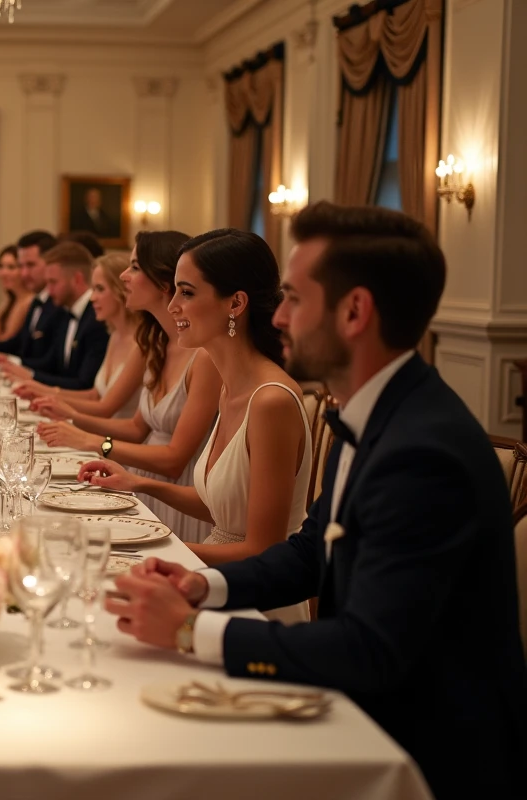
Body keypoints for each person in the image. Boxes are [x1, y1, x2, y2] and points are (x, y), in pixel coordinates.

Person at [103, 203, 527, 800]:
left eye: (295, 299)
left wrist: (191, 631)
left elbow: (369, 649)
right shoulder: (377, 414)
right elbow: (308, 553)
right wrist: (201, 586)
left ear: (354, 312)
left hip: (416, 752)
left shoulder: (424, 452)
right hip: (359, 704)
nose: (278, 315)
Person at [79, 230, 312, 592]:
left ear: (235, 304)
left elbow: (265, 549)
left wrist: (155, 550)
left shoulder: (271, 401)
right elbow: (222, 508)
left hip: (252, 598)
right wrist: (137, 481)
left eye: (186, 293)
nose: (173, 307)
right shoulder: (231, 387)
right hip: (210, 577)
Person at [38, 231, 218, 543]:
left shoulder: (204, 356)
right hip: (139, 479)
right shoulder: (156, 341)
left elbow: (176, 460)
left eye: (134, 267)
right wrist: (73, 420)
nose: (125, 275)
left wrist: (93, 441)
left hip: (180, 494)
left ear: (164, 282)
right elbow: (137, 428)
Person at [18, 252, 143, 419]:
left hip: (113, 439)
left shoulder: (140, 343)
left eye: (99, 289)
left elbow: (105, 408)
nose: (92, 298)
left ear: (121, 290)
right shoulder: (115, 335)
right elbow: (94, 395)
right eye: (93, 289)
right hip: (103, 434)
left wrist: (57, 404)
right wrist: (40, 391)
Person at [0, 242, 109, 390]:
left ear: (77, 279)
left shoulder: (96, 319)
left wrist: (30, 376)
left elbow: (84, 384)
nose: (48, 291)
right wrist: (13, 363)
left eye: (53, 282)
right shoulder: (66, 312)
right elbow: (51, 362)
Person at [0, 230, 63, 361]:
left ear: (52, 262)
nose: (24, 274)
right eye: (21, 266)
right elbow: (16, 343)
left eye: (31, 265)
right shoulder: (37, 301)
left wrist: (14, 364)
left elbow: (50, 363)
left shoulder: (59, 304)